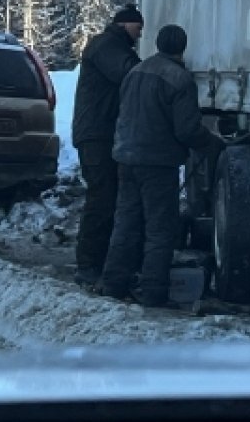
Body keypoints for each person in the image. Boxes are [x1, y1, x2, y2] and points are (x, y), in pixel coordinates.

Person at [100, 24, 224, 307]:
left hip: (125, 158)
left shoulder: (135, 72)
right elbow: (187, 130)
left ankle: (113, 284)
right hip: (157, 163)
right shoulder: (180, 79)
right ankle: (154, 292)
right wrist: (213, 144)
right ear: (183, 47)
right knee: (159, 228)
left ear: (158, 44)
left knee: (126, 223)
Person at [71, 4, 144, 290]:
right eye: (138, 28)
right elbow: (129, 73)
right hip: (97, 134)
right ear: (125, 24)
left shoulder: (112, 46)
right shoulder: (106, 46)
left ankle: (99, 263)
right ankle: (88, 264)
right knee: (102, 199)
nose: (140, 34)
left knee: (109, 198)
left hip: (103, 133)